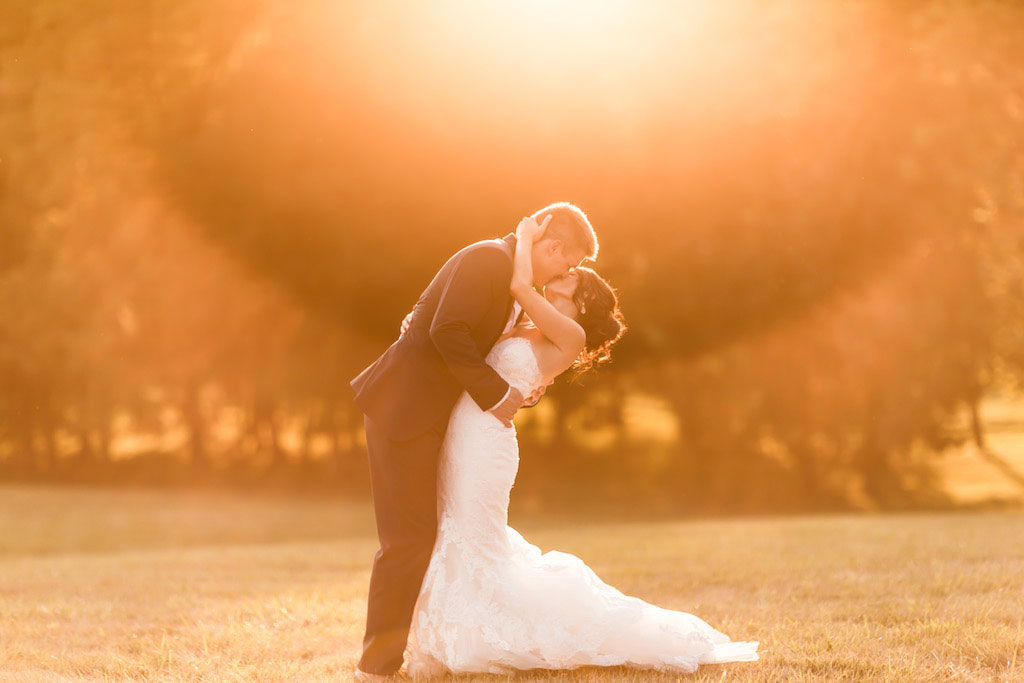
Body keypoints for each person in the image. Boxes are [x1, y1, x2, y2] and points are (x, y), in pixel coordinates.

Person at [402, 215, 759, 676]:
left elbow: (518, 284)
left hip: (485, 445)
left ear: (581, 296)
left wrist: (527, 238)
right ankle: (453, 632)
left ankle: (482, 635)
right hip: (463, 434)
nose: (559, 272)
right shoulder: (529, 323)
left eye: (568, 274)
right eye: (564, 266)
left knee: (476, 538)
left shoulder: (570, 334)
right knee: (455, 527)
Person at [350, 203, 598, 680]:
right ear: (553, 247)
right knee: (406, 542)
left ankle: (399, 656)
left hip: (434, 419)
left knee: (423, 538)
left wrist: (523, 384)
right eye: (568, 264)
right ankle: (376, 669)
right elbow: (448, 330)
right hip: (403, 412)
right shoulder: (489, 259)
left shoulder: (508, 277)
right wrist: (498, 394)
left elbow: (447, 324)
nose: (567, 273)